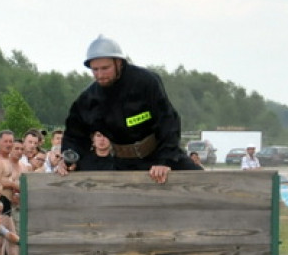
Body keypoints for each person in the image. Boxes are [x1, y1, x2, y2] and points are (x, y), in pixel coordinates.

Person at [61, 35, 199, 184]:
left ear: (119, 63)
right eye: (95, 69)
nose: (100, 75)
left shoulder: (146, 82)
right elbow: (74, 134)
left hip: (158, 156)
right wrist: (69, 159)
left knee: (204, 183)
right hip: (121, 164)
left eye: (105, 68)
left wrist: (165, 161)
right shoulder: (88, 98)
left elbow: (168, 120)